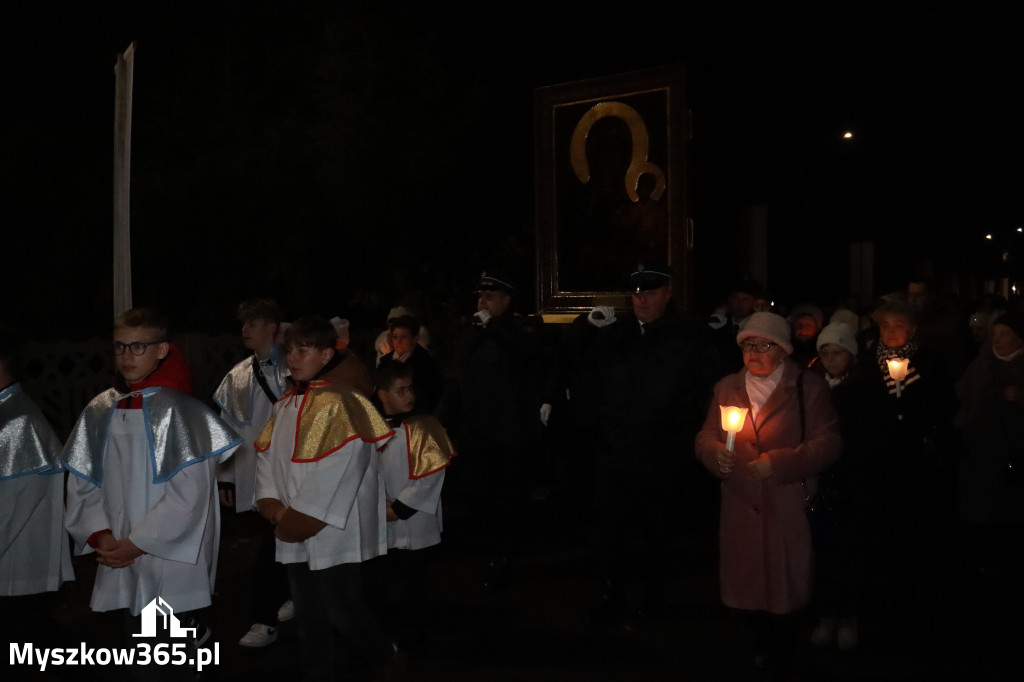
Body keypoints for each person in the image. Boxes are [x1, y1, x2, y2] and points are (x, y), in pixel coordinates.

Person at [62, 308, 242, 675]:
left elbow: (189, 495)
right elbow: (82, 481)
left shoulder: (183, 413)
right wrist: (101, 534)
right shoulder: (100, 410)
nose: (127, 356)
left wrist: (136, 543)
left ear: (162, 350)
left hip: (167, 552)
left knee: (164, 648)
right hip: (117, 547)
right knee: (136, 640)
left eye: (139, 346)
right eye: (121, 347)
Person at [695, 312, 840, 678]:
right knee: (747, 586)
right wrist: (716, 455)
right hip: (741, 503)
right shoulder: (727, 387)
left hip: (786, 502)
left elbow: (829, 443)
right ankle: (761, 645)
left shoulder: (808, 386)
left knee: (786, 584)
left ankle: (784, 651)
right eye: (747, 345)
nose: (754, 352)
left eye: (763, 345)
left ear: (782, 350)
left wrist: (778, 463)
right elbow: (704, 438)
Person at [254, 315, 400, 680]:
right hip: (290, 523)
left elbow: (343, 466)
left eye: (304, 349)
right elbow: (266, 458)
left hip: (332, 526)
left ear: (325, 355)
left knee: (340, 608)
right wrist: (272, 505)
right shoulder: (284, 405)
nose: (294, 357)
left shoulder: (344, 403)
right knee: (308, 613)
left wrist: (301, 518)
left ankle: (386, 655)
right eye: (290, 350)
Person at [579, 262, 722, 622]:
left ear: (667, 293)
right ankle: (612, 590)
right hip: (616, 451)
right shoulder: (615, 335)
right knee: (611, 528)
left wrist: (680, 434)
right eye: (637, 293)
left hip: (663, 452)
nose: (641, 300)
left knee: (658, 529)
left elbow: (703, 389)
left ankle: (653, 594)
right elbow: (592, 382)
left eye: (650, 292)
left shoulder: (689, 334)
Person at [436, 270, 550, 589]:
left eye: (490, 296)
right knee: (476, 493)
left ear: (506, 299)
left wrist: (493, 325)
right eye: (480, 296)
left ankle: (505, 558)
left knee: (508, 499)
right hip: (476, 431)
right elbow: (457, 378)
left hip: (510, 435)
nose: (482, 301)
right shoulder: (471, 332)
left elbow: (526, 355)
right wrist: (440, 420)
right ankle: (492, 549)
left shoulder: (521, 328)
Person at [862, 300, 960, 623]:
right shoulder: (867, 362)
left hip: (920, 463)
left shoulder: (930, 361)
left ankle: (921, 597)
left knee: (919, 529)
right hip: (881, 462)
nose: (891, 333)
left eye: (898, 327)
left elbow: (946, 404)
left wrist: (914, 394)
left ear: (913, 330)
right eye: (886, 327)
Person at [212, 298, 293, 647]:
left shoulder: (294, 363)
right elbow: (225, 431)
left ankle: (271, 611)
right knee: (274, 536)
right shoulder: (237, 375)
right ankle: (271, 610)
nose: (245, 329)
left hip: (294, 467)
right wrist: (225, 477)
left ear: (272, 326)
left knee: (281, 537)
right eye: (243, 323)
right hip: (260, 473)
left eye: (254, 322)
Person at [0, 329, 74, 650]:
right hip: (12, 567)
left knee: (33, 641)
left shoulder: (17, 422)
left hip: (18, 565)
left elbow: (14, 502)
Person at [372, 361, 454, 649]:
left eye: (410, 389)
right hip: (379, 514)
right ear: (382, 394)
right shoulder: (369, 428)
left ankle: (418, 632)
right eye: (401, 390)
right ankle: (387, 630)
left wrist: (401, 508)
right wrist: (376, 505)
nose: (410, 395)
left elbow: (432, 473)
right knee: (381, 580)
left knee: (415, 579)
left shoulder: (424, 426)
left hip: (414, 517)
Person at [807, 321, 874, 652]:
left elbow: (870, 439)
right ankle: (824, 615)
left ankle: (848, 617)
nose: (831, 360)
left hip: (852, 485)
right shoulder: (813, 388)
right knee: (821, 554)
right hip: (819, 484)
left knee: (848, 554)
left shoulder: (865, 390)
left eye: (838, 353)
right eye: (825, 354)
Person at [954, 309, 1024, 586]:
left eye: (1005, 334)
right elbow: (960, 397)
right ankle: (980, 564)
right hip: (979, 453)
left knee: (1010, 510)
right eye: (995, 334)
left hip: (1013, 453)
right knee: (980, 512)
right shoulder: (981, 365)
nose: (998, 340)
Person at [377, 314, 444, 416]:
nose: (398, 342)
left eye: (404, 337)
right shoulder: (386, 362)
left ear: (414, 338)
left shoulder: (425, 363)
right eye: (395, 337)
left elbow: (431, 395)